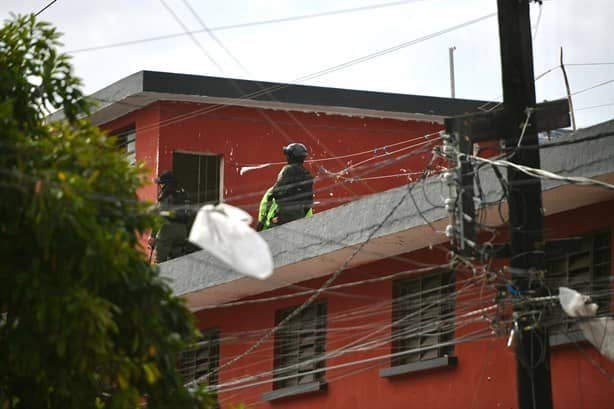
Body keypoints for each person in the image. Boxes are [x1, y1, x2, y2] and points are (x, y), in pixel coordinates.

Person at [256, 143, 314, 231]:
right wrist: (299, 215)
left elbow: (274, 193)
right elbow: (309, 202)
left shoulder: (287, 170)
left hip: (282, 216)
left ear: (291, 157)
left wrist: (262, 222)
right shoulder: (308, 175)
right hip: (299, 217)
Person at [152, 171, 191, 262]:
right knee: (177, 262)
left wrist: (153, 236)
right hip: (182, 230)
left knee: (160, 262)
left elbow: (159, 216)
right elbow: (189, 214)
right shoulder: (184, 194)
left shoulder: (165, 195)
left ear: (167, 184)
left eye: (162, 184)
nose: (160, 186)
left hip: (167, 230)